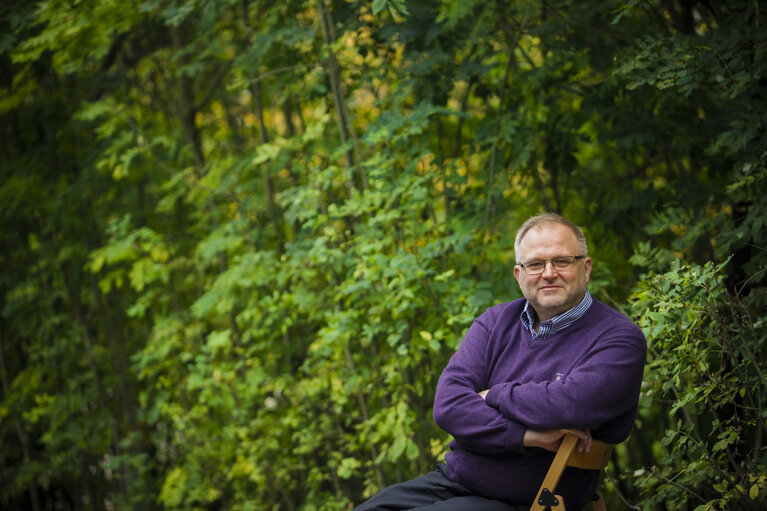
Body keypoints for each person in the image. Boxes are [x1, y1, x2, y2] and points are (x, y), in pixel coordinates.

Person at [353, 213, 647, 511]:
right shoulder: (495, 322)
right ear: (519, 275)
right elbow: (448, 404)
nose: (548, 273)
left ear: (585, 268)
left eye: (561, 261)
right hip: (454, 482)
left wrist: (493, 394)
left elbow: (569, 404)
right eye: (535, 264)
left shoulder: (619, 338)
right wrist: (526, 435)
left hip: (533, 500)